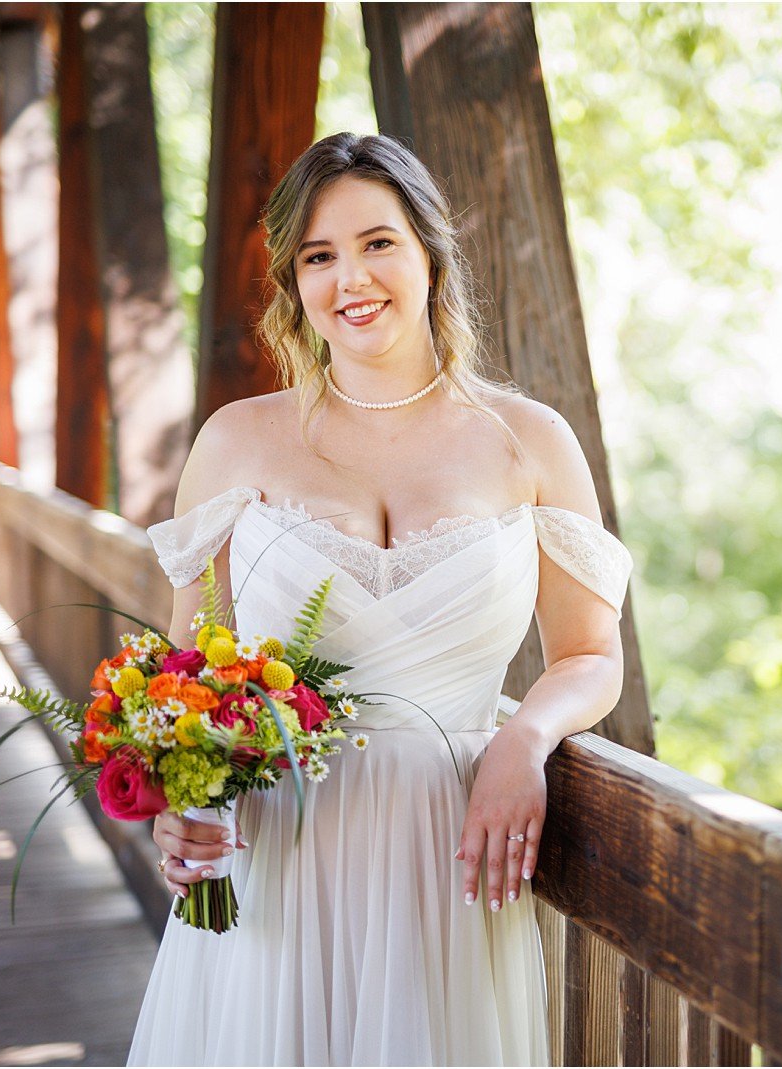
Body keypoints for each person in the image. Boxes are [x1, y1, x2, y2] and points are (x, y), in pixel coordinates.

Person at [125, 131, 634, 1066]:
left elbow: (591, 654)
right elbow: (186, 675)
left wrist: (525, 737)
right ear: (293, 284)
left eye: (377, 243)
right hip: (277, 855)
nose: (350, 277)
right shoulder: (237, 441)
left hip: (450, 850)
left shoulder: (529, 440)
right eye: (318, 256)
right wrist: (181, 794)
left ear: (430, 253)